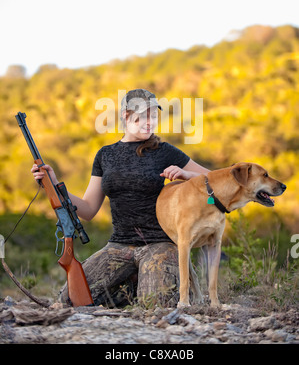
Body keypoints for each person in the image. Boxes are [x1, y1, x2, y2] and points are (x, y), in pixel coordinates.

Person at [31, 89, 210, 307]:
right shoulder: (105, 155)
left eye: (153, 116)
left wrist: (187, 175)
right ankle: (132, 286)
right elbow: (87, 210)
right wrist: (54, 183)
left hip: (160, 243)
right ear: (126, 116)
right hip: (119, 245)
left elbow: (214, 179)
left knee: (155, 306)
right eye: (142, 116)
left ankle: (144, 286)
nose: (149, 123)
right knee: (68, 300)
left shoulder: (165, 152)